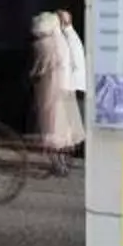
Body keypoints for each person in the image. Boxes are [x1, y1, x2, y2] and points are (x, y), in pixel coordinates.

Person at [30, 10, 84, 156]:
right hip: (64, 82)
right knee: (63, 115)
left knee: (52, 115)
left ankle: (56, 150)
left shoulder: (44, 42)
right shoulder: (61, 41)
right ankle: (62, 150)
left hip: (52, 84)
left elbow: (40, 68)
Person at [57, 9, 89, 160]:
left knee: (77, 120)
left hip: (75, 87)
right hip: (75, 86)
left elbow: (77, 63)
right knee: (75, 120)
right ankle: (79, 148)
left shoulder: (70, 38)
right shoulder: (69, 37)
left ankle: (82, 149)